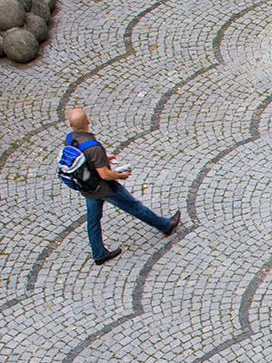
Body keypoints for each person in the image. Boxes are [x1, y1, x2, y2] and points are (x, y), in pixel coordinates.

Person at [60, 106, 181, 267]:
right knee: (134, 206)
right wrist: (120, 175)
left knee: (93, 220)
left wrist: (103, 157)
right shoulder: (93, 146)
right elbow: (104, 174)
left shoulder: (70, 139)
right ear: (87, 121)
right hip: (104, 188)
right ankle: (165, 226)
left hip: (88, 189)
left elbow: (85, 159)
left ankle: (99, 254)